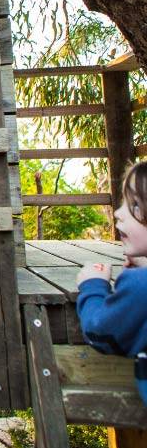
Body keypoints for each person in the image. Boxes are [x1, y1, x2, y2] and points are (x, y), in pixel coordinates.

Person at [75, 161, 147, 406]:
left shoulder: (139, 286)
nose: (118, 213)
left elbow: (101, 331)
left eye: (135, 205)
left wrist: (93, 287)